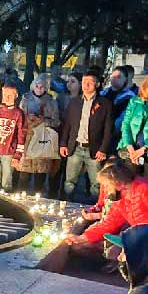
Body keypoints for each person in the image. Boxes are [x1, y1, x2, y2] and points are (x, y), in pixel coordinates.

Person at [60, 70, 113, 200]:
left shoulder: (105, 104)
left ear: (97, 84)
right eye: (84, 82)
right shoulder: (75, 102)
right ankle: (66, 205)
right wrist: (63, 144)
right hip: (75, 147)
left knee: (96, 184)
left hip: (94, 149)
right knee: (69, 182)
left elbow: (108, 129)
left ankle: (95, 208)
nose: (86, 85)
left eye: (90, 82)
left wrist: (103, 149)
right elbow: (68, 125)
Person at [16, 74, 61, 194]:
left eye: (42, 86)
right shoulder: (25, 99)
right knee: (24, 173)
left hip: (43, 139)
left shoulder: (52, 102)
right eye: (37, 85)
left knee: (40, 172)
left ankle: (38, 195)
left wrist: (44, 121)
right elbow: (19, 117)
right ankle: (21, 195)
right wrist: (28, 118)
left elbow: (56, 121)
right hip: (28, 138)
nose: (39, 88)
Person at [0, 82, 27, 192]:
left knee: (7, 180)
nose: (7, 97)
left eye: (10, 95)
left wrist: (18, 155)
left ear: (16, 96)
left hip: (8, 152)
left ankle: (6, 200)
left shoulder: (18, 114)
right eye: (5, 94)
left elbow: (21, 134)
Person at [101, 66, 134, 139]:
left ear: (125, 79)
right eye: (113, 76)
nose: (115, 79)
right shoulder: (103, 93)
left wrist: (110, 132)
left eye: (119, 77)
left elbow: (123, 119)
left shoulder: (130, 97)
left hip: (116, 135)